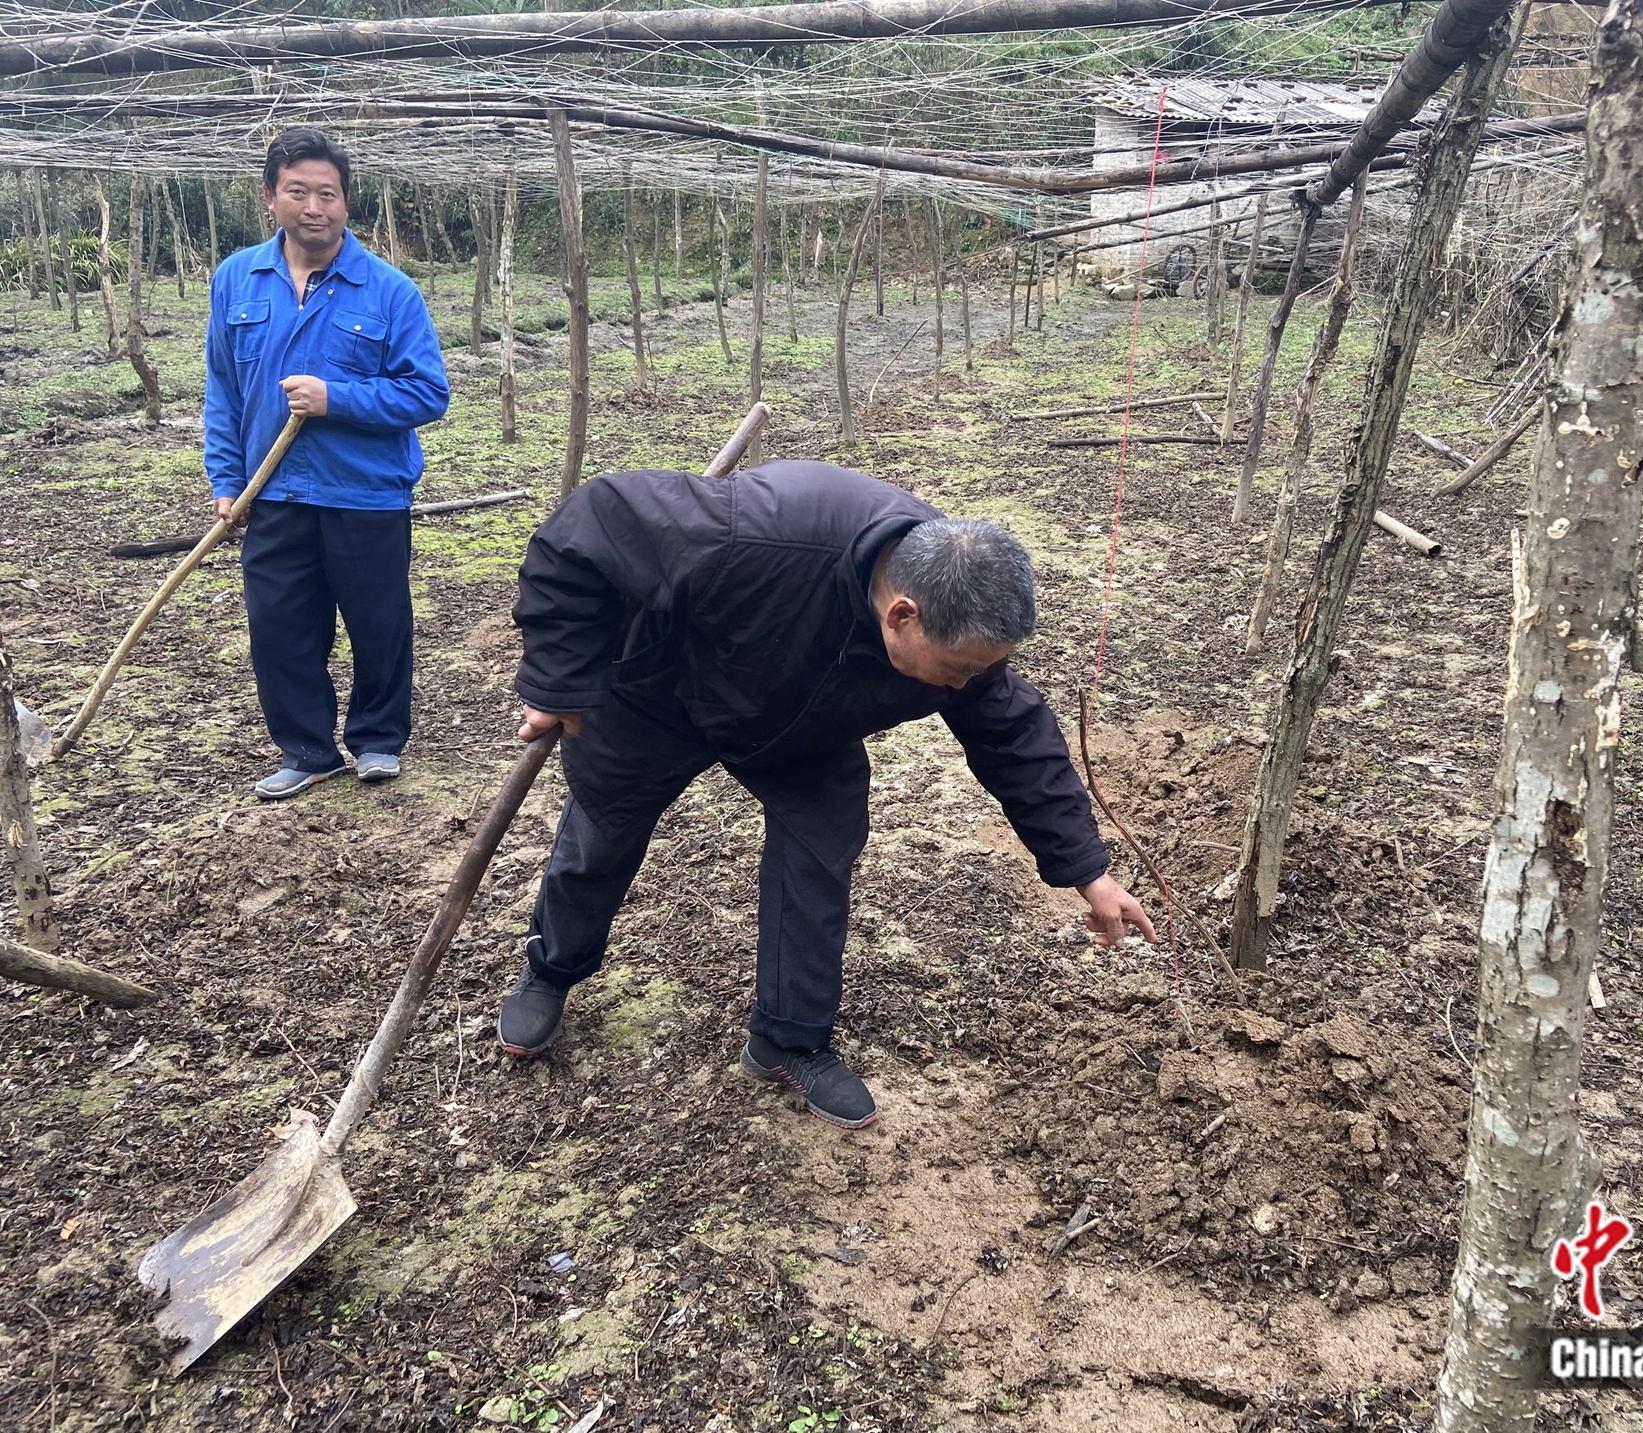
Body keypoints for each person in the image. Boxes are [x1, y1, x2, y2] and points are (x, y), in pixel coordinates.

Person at [500, 461, 1156, 1128]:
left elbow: (1015, 737)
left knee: (819, 855)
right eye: (958, 669)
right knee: (602, 831)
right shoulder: (750, 535)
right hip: (663, 692)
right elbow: (582, 529)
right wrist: (558, 677)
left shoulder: (959, 622)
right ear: (901, 614)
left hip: (806, 728)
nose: (966, 684)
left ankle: (786, 1036)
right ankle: (551, 968)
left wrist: (1087, 872)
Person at [204, 127, 450, 800]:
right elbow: (222, 390)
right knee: (280, 627)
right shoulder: (236, 280)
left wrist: (334, 398)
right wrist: (227, 482)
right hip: (272, 489)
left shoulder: (389, 291)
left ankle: (377, 739)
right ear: (270, 197)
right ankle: (307, 749)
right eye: (298, 192)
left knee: (378, 625)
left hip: (364, 491)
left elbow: (429, 392)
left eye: (328, 194)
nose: (315, 206)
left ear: (346, 202)